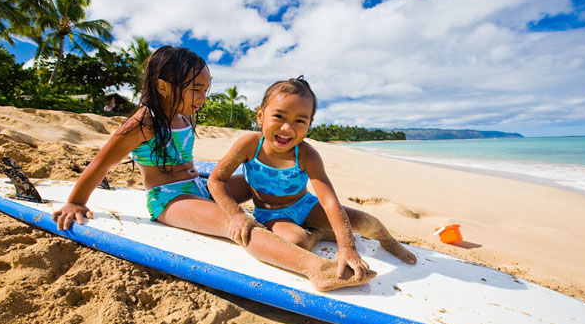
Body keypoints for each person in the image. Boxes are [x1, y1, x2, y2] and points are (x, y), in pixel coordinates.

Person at [52, 46, 373, 292]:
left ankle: (298, 225)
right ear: (164, 87)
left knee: (256, 181)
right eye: (196, 90)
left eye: (207, 89)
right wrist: (77, 201)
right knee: (238, 225)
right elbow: (100, 163)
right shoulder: (144, 121)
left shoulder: (186, 116)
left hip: (199, 185)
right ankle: (315, 269)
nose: (203, 98)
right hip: (169, 198)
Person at [208, 76, 417, 280]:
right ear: (261, 115)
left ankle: (388, 241)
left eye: (300, 120)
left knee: (367, 222)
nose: (287, 128)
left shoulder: (307, 155)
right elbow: (216, 180)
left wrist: (347, 247)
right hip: (271, 214)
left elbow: (329, 201)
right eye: (279, 116)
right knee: (295, 243)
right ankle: (317, 234)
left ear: (309, 124)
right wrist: (236, 215)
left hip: (305, 206)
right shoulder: (249, 144)